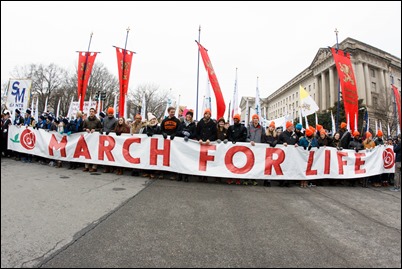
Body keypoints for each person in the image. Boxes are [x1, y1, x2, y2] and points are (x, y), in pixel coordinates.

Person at [226, 114, 248, 185]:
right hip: (231, 147)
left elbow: (244, 137)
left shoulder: (243, 128)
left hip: (240, 148)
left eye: (236, 119)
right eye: (234, 119)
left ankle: (237, 178)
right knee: (231, 162)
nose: (235, 120)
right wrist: (232, 140)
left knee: (238, 163)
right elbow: (228, 135)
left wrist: (237, 141)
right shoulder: (231, 127)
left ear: (239, 120)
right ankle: (230, 178)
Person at [277, 121, 299, 187]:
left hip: (291, 154)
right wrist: (282, 143)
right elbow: (278, 141)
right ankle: (282, 181)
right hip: (284, 154)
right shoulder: (282, 134)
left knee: (290, 166)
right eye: (291, 126)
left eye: (292, 126)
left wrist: (297, 144)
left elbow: (298, 141)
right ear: (287, 127)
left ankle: (288, 181)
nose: (292, 127)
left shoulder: (294, 135)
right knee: (283, 167)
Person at [246, 114, 264, 186]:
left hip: (257, 149)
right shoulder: (249, 127)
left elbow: (263, 137)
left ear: (258, 120)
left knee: (255, 164)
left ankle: (254, 179)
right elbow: (246, 137)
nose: (256, 120)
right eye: (254, 118)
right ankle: (247, 179)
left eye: (257, 118)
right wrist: (249, 141)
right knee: (248, 163)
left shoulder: (261, 128)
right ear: (252, 120)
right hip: (250, 147)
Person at [82, 108, 102, 172]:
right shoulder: (86, 120)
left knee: (94, 152)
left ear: (94, 113)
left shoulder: (97, 121)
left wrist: (95, 130)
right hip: (87, 139)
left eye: (92, 111)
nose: (91, 113)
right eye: (90, 111)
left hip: (95, 140)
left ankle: (94, 166)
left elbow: (101, 129)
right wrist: (85, 129)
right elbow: (83, 128)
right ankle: (86, 166)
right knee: (86, 152)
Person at [102, 107, 118, 173]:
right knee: (105, 153)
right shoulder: (104, 119)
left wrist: (111, 131)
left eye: (111, 113)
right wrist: (101, 130)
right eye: (109, 113)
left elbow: (116, 129)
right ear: (108, 113)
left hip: (111, 138)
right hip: (105, 137)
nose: (110, 114)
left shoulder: (115, 120)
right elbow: (102, 126)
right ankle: (106, 167)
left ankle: (112, 167)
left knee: (112, 153)